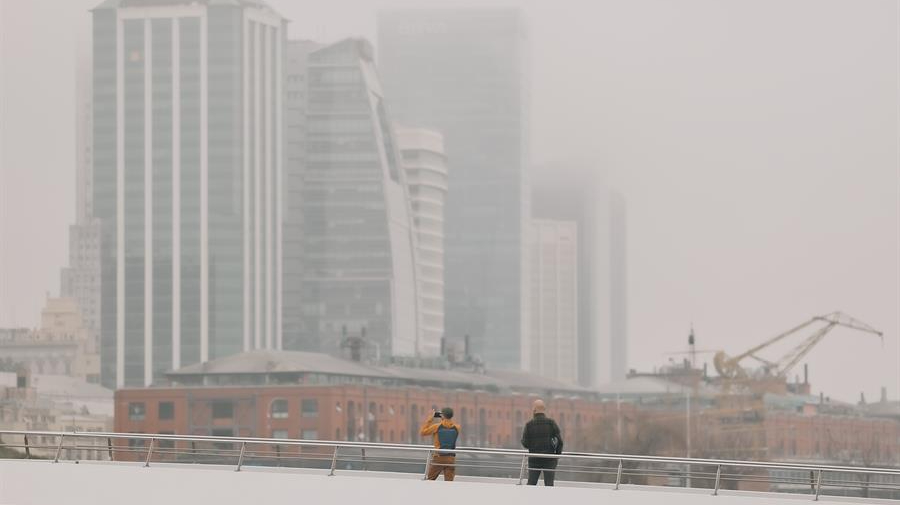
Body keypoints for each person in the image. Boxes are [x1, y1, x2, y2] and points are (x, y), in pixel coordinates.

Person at [521, 399, 563, 486]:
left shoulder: (529, 425)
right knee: (549, 484)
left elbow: (525, 443)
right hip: (549, 458)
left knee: (531, 484)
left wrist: (532, 447)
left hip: (534, 458)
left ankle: (530, 499)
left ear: (534, 410)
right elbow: (560, 441)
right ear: (544, 410)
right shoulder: (551, 423)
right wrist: (556, 455)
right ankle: (548, 499)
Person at [420, 407, 461, 481]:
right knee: (449, 482)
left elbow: (423, 432)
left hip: (438, 457)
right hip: (451, 458)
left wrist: (430, 418)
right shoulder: (457, 427)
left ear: (442, 415)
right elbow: (448, 425)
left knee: (430, 480)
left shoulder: (437, 426)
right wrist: (444, 418)